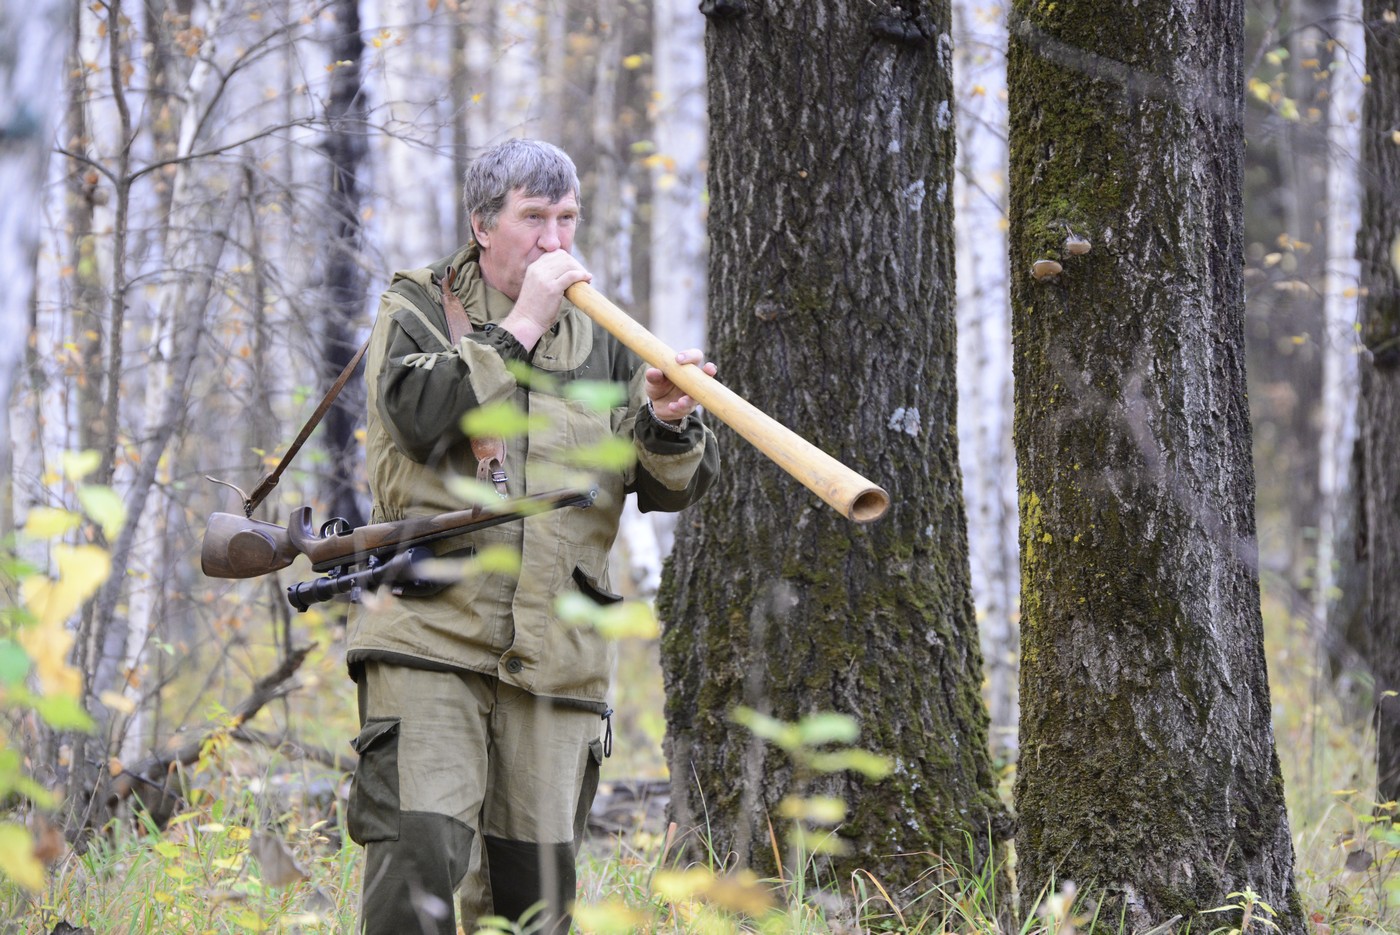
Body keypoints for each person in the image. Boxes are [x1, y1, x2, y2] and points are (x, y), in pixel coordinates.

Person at [344, 138, 719, 935]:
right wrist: (519, 326)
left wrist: (665, 418)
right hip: (431, 631)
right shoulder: (415, 303)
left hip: (557, 657)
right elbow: (416, 417)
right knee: (421, 854)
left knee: (535, 898)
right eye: (534, 218)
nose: (556, 241)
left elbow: (665, 486)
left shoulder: (608, 334)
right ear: (483, 225)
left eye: (567, 218)